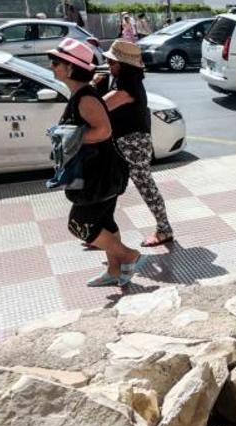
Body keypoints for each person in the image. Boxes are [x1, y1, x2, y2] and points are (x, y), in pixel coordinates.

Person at [48, 38, 144, 287]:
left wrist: (67, 138)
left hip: (97, 174)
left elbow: (103, 131)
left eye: (56, 62)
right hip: (100, 171)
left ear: (70, 68)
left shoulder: (85, 99)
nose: (51, 65)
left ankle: (128, 255)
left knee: (79, 225)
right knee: (105, 222)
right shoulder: (81, 92)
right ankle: (114, 271)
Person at [99, 40, 174, 247]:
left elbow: (100, 107)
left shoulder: (127, 87)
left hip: (134, 144)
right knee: (109, 185)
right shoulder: (122, 81)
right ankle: (100, 231)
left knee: (145, 186)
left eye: (112, 62)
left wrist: (88, 89)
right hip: (121, 143)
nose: (108, 65)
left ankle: (164, 230)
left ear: (124, 65)